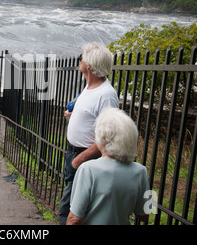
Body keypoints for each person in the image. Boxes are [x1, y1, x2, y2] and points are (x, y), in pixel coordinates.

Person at [58, 42, 119, 225]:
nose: (80, 59)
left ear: (89, 67)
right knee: (72, 207)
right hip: (74, 154)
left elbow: (109, 137)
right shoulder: (89, 86)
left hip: (85, 158)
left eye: (83, 57)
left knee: (70, 212)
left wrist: (80, 159)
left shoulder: (106, 95)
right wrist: (72, 116)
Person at [67, 107, 150, 225]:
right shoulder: (141, 171)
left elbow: (74, 218)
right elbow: (145, 214)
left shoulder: (88, 169)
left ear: (103, 138)